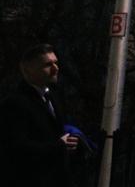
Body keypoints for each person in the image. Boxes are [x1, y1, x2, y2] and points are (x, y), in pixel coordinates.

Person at [0, 44, 79, 187]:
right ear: (28, 71)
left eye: (56, 62)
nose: (56, 68)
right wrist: (59, 146)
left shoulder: (55, 95)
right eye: (48, 65)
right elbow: (16, 148)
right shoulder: (14, 103)